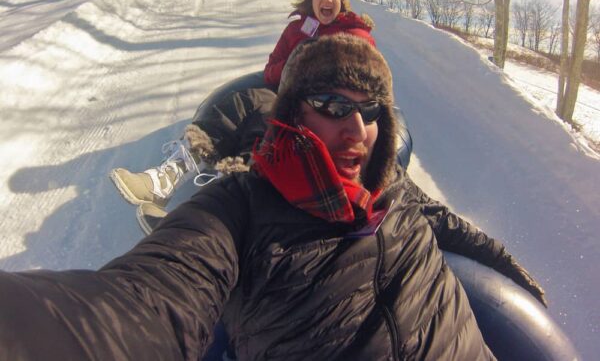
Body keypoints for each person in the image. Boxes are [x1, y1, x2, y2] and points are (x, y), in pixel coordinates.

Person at [0, 34, 546, 360]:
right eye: (333, 105)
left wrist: (511, 272)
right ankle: (182, 163)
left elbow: (456, 229)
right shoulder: (237, 213)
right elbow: (139, 307)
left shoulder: (395, 189)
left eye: (371, 110)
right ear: (293, 112)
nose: (357, 129)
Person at [109, 0, 375, 216]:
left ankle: (232, 204)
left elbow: (366, 71)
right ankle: (171, 175)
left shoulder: (353, 30)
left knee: (282, 132)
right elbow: (270, 70)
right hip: (289, 94)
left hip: (331, 108)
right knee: (247, 104)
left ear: (342, 0)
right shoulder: (297, 30)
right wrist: (295, 62)